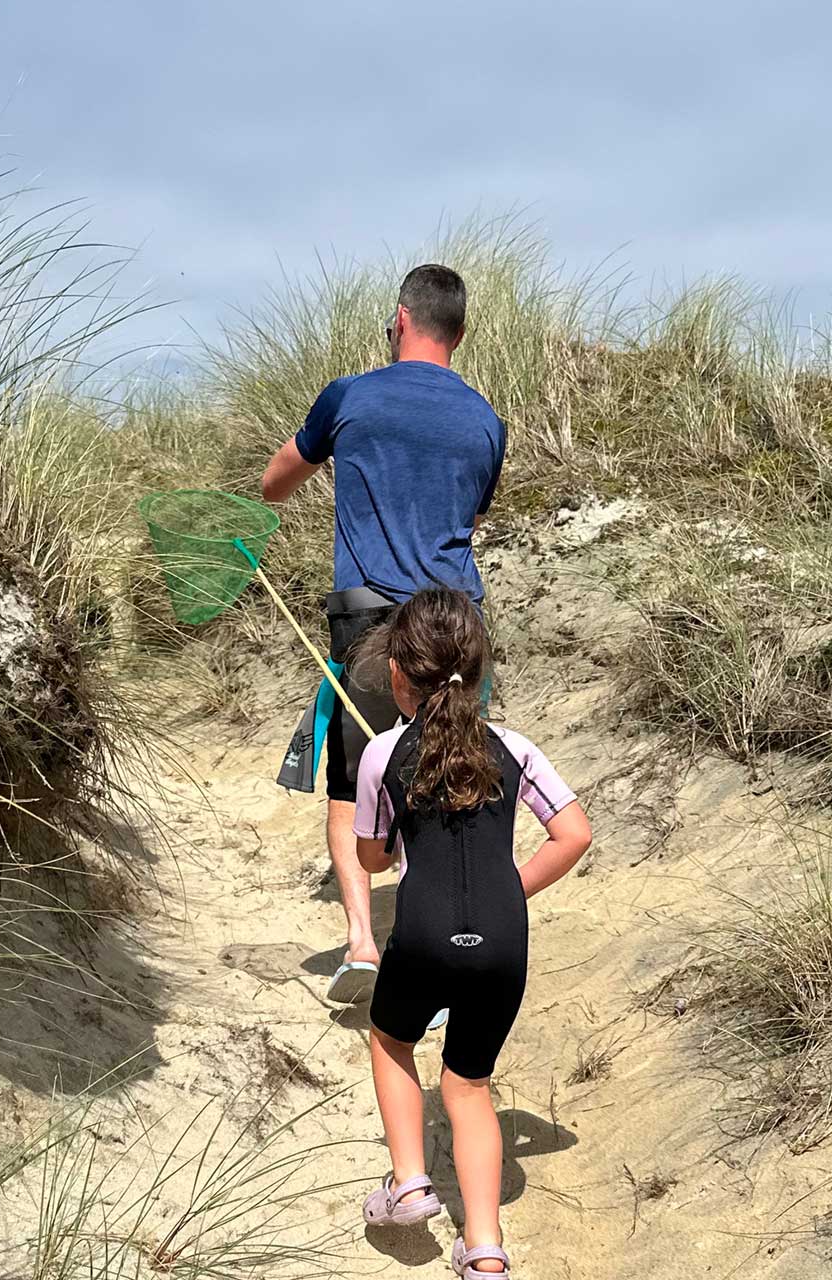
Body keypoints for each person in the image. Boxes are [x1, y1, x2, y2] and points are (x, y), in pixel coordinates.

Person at [261, 263, 506, 1005]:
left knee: (352, 784)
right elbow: (473, 512)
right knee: (444, 782)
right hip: (460, 621)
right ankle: (441, 956)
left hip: (372, 621)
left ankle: (364, 944)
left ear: (400, 320)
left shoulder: (351, 396)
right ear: (458, 333)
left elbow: (276, 482)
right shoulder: (486, 421)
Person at [351, 588, 591, 1278]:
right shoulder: (514, 748)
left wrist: (392, 824)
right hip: (502, 940)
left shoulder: (384, 755)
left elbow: (370, 858)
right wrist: (507, 890)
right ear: (481, 673)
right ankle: (485, 1249)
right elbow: (573, 833)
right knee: (468, 1085)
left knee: (393, 1039)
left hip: (422, 932)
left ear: (398, 671)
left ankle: (409, 1181)